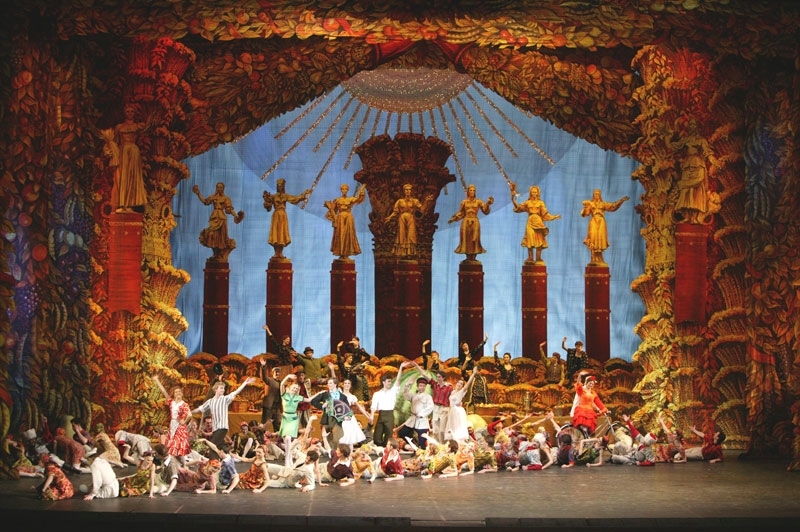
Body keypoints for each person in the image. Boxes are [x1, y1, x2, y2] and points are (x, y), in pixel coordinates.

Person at [102, 103, 148, 212]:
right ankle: (121, 204)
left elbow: (148, 127)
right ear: (124, 113)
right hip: (122, 152)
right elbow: (114, 141)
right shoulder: (119, 127)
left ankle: (130, 204)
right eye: (128, 111)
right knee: (121, 176)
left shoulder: (138, 126)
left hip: (133, 151)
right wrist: (110, 149)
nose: (130, 114)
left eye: (132, 111)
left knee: (132, 176)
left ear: (135, 113)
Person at [191, 376, 256, 451]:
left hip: (222, 427)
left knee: (212, 446)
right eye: (221, 388)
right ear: (216, 389)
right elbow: (199, 409)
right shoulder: (210, 401)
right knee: (220, 447)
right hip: (215, 429)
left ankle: (216, 457)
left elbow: (236, 392)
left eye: (224, 388)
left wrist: (245, 383)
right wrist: (189, 412)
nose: (223, 390)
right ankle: (228, 455)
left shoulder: (225, 399)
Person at [510, 183, 561, 263]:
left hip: (538, 222)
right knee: (529, 239)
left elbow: (545, 214)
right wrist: (513, 199)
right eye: (533, 192)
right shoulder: (527, 202)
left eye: (535, 192)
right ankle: (530, 258)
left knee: (539, 239)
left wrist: (554, 217)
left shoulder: (541, 203)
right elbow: (518, 207)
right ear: (530, 193)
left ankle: (538, 258)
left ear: (538, 193)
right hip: (530, 222)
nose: (534, 193)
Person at [193, 181, 245, 260]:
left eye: (220, 187)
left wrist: (236, 215)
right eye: (217, 187)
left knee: (221, 237)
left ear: (223, 188)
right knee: (212, 235)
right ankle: (215, 254)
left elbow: (229, 210)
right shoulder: (213, 197)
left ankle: (220, 255)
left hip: (222, 218)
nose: (219, 189)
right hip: (214, 217)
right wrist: (198, 193)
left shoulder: (226, 198)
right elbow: (205, 202)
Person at [262, 177, 311, 258]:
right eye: (278, 186)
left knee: (282, 233)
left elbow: (295, 199)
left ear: (283, 187)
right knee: (276, 234)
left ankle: (280, 253)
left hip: (283, 216)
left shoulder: (285, 196)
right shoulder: (274, 196)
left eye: (281, 186)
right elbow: (268, 208)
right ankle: (276, 253)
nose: (280, 187)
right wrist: (266, 200)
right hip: (276, 215)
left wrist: (303, 194)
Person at [580, 188, 629, 265]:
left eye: (598, 194)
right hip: (594, 222)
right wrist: (585, 207)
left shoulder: (603, 204)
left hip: (601, 222)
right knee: (593, 238)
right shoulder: (590, 204)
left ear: (600, 195)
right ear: (593, 195)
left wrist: (621, 201)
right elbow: (585, 214)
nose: (596, 195)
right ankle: (593, 258)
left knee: (600, 239)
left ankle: (600, 258)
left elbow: (613, 206)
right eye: (595, 194)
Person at [384, 183, 434, 258]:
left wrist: (426, 201)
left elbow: (422, 209)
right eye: (406, 190)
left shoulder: (414, 201)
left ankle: (410, 253)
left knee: (411, 235)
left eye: (409, 190)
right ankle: (401, 253)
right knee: (402, 235)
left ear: (411, 191)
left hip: (411, 218)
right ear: (404, 191)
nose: (408, 191)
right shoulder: (399, 201)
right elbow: (395, 212)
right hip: (402, 218)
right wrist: (389, 217)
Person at [448, 183, 494, 261]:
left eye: (473, 190)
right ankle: (468, 258)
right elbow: (461, 213)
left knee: (474, 239)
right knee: (466, 239)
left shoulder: (478, 201)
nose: (472, 192)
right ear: (468, 191)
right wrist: (454, 218)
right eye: (471, 190)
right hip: (466, 222)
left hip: (475, 222)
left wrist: (488, 203)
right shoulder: (464, 202)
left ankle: (473, 258)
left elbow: (485, 210)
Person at [151, 376, 191, 464]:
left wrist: (184, 422)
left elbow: (189, 415)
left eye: (179, 391)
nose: (178, 393)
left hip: (179, 427)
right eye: (176, 392)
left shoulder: (184, 404)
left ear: (182, 394)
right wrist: (157, 380)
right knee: (171, 444)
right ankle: (175, 463)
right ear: (174, 394)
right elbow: (164, 392)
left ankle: (184, 463)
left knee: (177, 444)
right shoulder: (172, 403)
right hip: (172, 425)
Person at [369, 362, 410, 448]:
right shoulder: (377, 394)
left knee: (388, 436)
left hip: (389, 414)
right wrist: (372, 416)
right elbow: (373, 406)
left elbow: (398, 381)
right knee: (377, 437)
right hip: (381, 414)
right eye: (388, 381)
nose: (390, 383)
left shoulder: (392, 392)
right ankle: (380, 449)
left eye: (390, 382)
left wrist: (401, 368)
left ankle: (387, 450)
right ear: (383, 382)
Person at [417, 346, 452, 442]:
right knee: (435, 430)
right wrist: (417, 367)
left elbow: (453, 397)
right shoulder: (435, 384)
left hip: (444, 408)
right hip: (436, 407)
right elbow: (425, 375)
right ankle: (437, 446)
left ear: (443, 378)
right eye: (437, 377)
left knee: (442, 430)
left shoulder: (448, 387)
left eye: (439, 377)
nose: (438, 378)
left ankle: (443, 445)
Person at [325, 183, 366, 259]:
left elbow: (359, 200)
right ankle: (341, 253)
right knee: (340, 235)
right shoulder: (337, 200)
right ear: (341, 190)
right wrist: (334, 218)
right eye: (343, 189)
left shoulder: (350, 199)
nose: (344, 190)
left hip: (348, 218)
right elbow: (332, 212)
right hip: (340, 219)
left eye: (346, 189)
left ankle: (346, 253)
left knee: (349, 234)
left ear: (348, 190)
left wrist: (361, 193)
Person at [397, 374, 435, 451]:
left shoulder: (428, 397)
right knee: (402, 433)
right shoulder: (413, 396)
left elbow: (430, 407)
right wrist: (408, 384)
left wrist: (421, 414)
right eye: (420, 385)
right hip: (412, 419)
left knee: (422, 440)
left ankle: (422, 453)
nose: (422, 387)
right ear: (417, 386)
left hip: (422, 421)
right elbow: (405, 394)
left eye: (423, 386)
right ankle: (411, 446)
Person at [339, 378, 373, 452]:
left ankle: (350, 454)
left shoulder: (352, 397)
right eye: (345, 383)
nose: (347, 385)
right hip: (340, 417)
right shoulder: (339, 394)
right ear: (343, 385)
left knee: (350, 439)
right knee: (341, 437)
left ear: (350, 385)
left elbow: (360, 407)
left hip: (349, 417)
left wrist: (367, 416)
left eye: (348, 383)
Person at [446, 367, 477, 442]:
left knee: (458, 428)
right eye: (458, 383)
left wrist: (473, 374)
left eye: (461, 384)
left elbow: (468, 384)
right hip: (452, 411)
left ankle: (460, 442)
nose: (459, 384)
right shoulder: (453, 392)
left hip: (457, 411)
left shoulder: (462, 392)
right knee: (452, 427)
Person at [337, 336, 372, 401]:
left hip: (357, 366)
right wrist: (350, 342)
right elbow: (346, 346)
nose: (354, 342)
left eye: (355, 340)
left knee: (359, 379)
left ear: (358, 342)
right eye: (353, 340)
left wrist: (362, 363)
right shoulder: (351, 350)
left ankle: (361, 399)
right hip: (352, 368)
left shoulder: (361, 350)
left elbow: (368, 356)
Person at [258, 360, 283, 432]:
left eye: (278, 372)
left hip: (277, 407)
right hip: (269, 407)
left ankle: (278, 438)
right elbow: (263, 377)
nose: (277, 373)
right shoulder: (269, 380)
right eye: (276, 372)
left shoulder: (281, 383)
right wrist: (263, 366)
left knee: (278, 424)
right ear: (273, 373)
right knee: (265, 424)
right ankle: (262, 437)